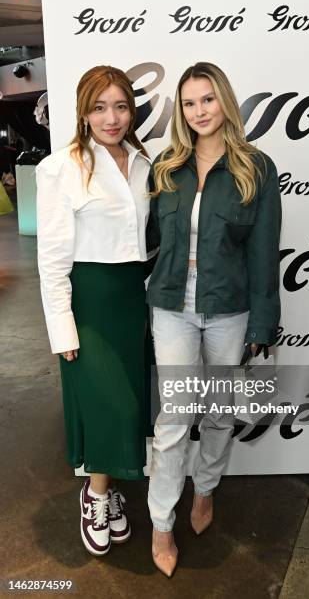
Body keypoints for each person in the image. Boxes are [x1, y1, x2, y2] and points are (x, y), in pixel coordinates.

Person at [146, 62, 281, 576]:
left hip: (230, 311)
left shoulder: (257, 168)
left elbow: (265, 252)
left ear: (224, 101)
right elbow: (149, 241)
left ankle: (204, 492)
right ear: (180, 111)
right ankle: (162, 521)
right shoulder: (166, 165)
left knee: (220, 414)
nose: (199, 110)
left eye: (207, 99)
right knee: (175, 419)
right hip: (172, 309)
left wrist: (263, 322)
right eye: (188, 102)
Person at [36, 65, 155, 557]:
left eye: (121, 106)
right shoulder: (60, 166)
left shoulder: (146, 163)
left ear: (132, 110)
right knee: (114, 405)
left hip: (133, 298)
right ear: (83, 112)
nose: (112, 117)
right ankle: (96, 495)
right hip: (88, 300)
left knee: (129, 404)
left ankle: (108, 489)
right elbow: (52, 258)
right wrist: (62, 327)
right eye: (100, 107)